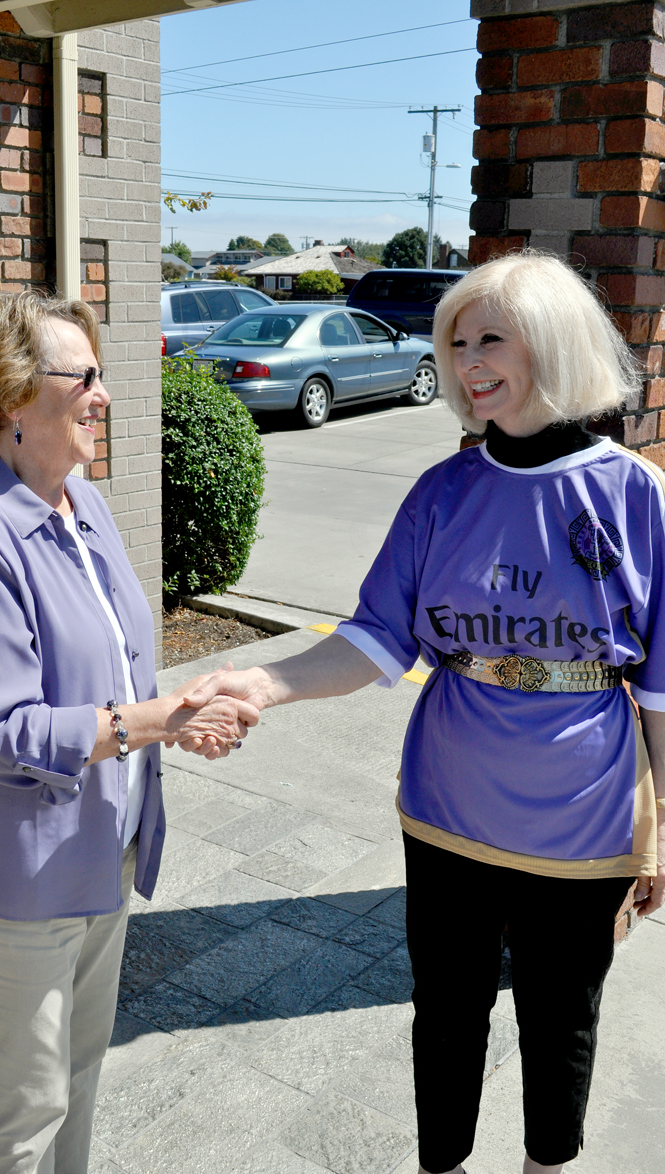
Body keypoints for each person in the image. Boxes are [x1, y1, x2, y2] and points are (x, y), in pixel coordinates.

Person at [184, 252, 665, 1174]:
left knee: (563, 1017)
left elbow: (664, 685)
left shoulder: (634, 494)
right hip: (444, 808)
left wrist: (662, 827)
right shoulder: (445, 490)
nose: (468, 360)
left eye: (493, 337)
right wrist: (266, 685)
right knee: (445, 1010)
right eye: (455, 341)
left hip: (584, 816)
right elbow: (375, 637)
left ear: (555, 345)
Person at [0, 292, 258, 1174]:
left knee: (79, 1076)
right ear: (12, 396)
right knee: (25, 1104)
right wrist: (161, 721)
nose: (103, 394)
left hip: (101, 848)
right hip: (10, 873)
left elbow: (117, 671)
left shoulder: (80, 504)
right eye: (82, 376)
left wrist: (173, 723)